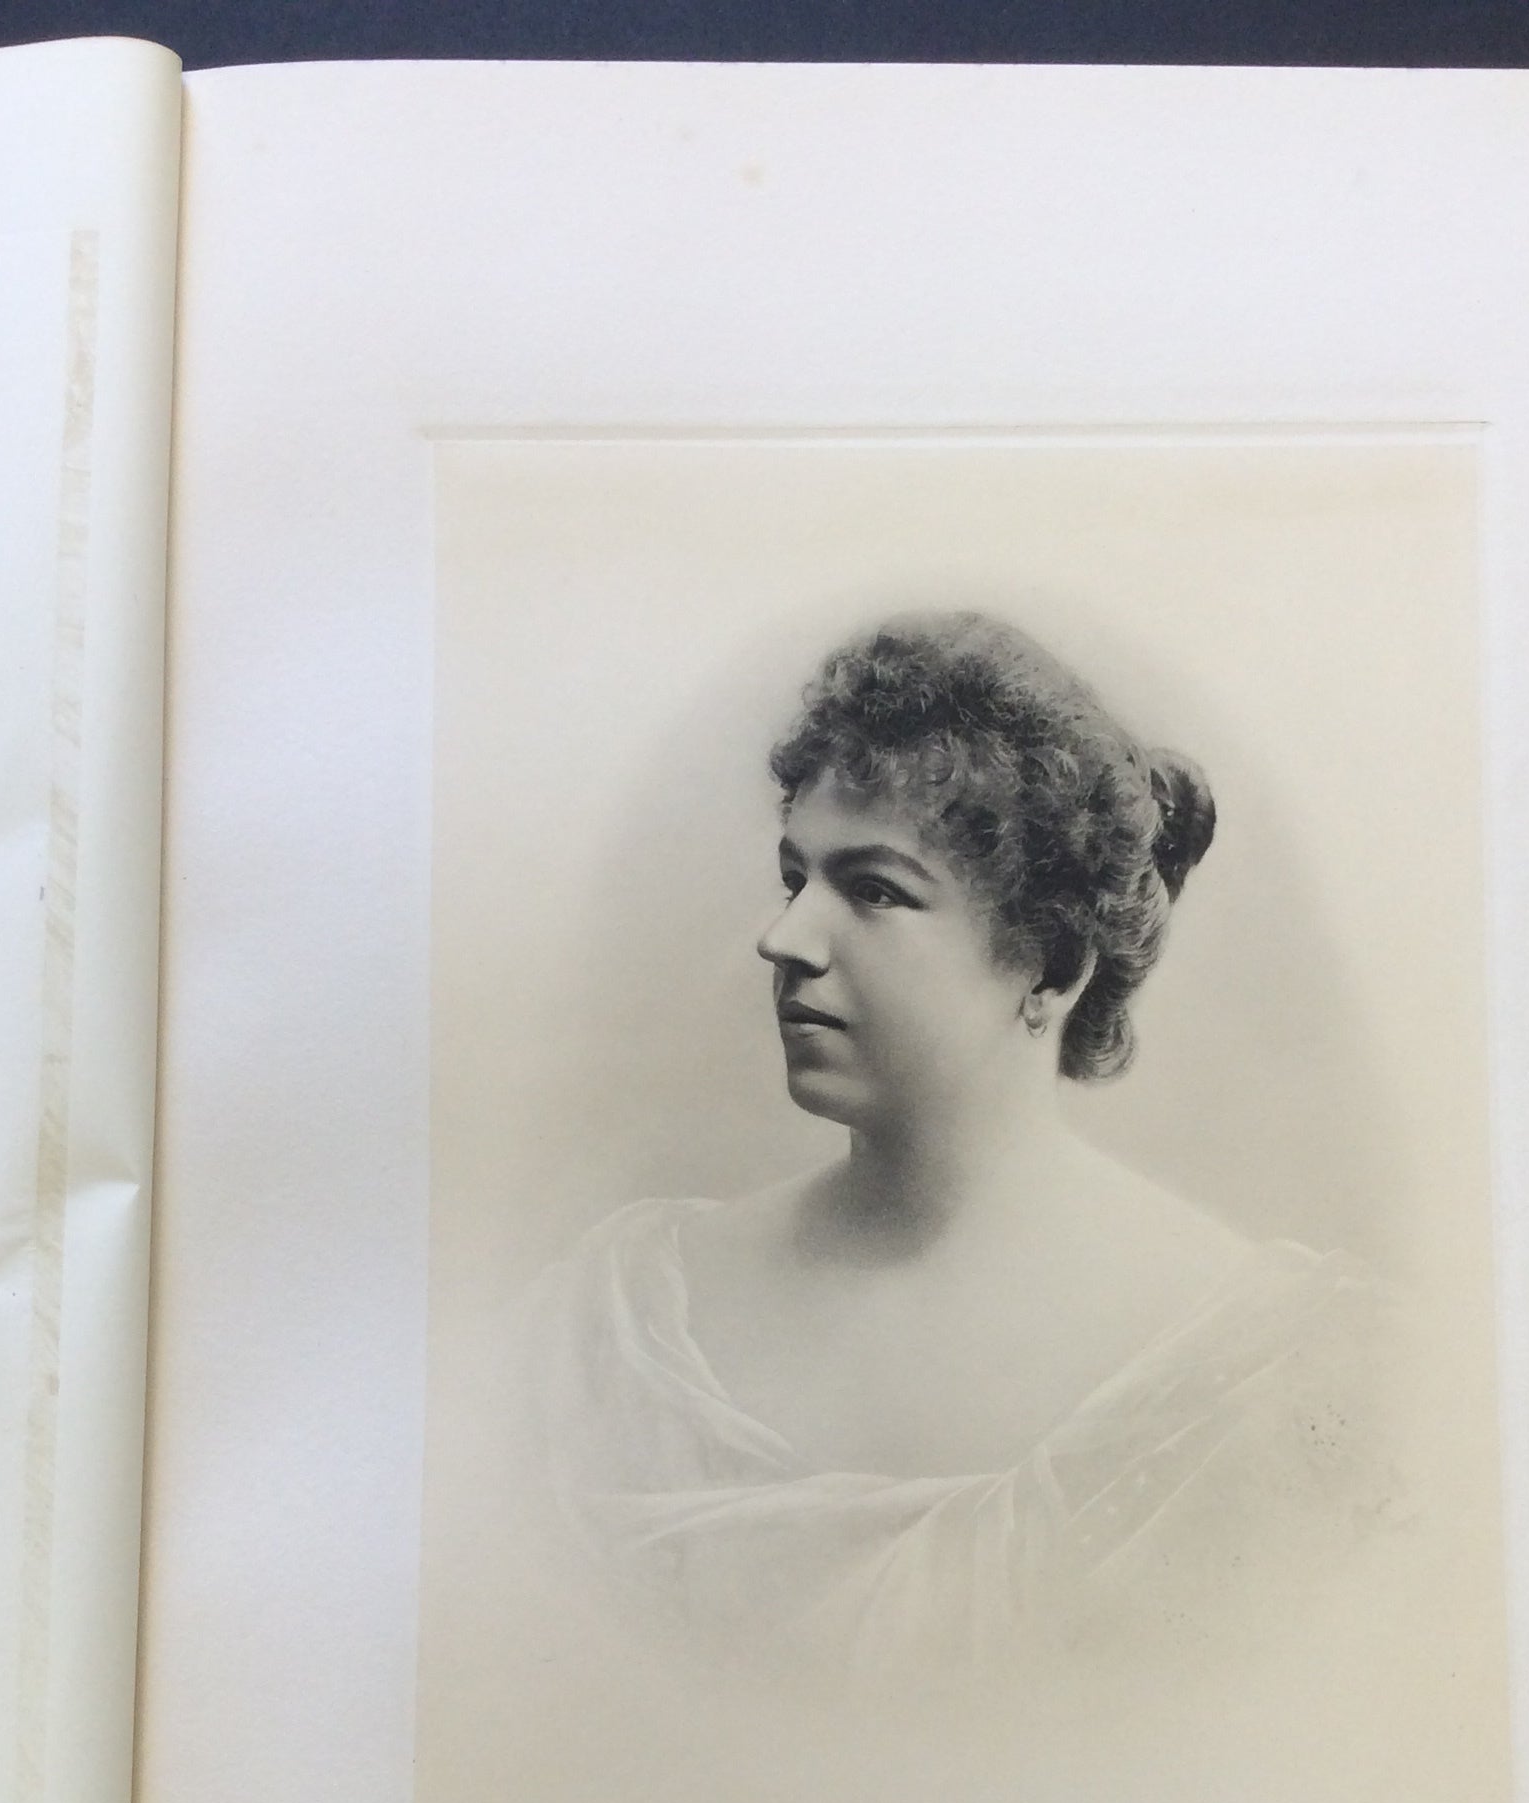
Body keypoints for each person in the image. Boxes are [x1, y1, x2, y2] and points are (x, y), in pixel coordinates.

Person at [532, 613, 1394, 1679]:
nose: (784, 937)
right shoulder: (622, 1326)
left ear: (1052, 965)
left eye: (874, 890)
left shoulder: (1261, 1373)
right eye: (796, 878)